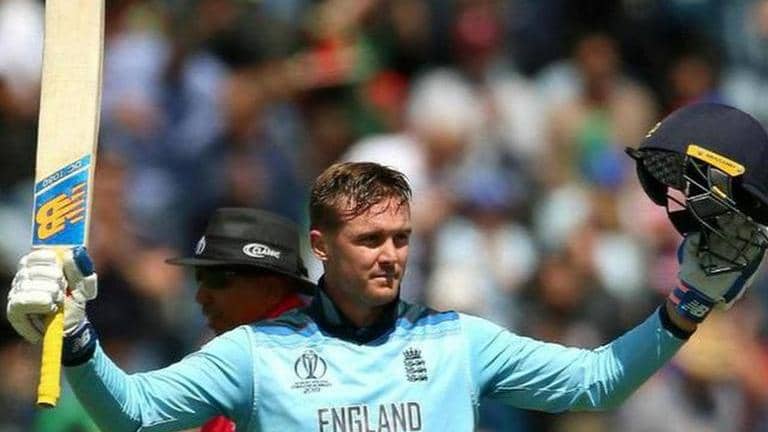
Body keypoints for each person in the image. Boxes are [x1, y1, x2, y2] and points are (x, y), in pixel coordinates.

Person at [5, 161, 766, 431]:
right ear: (321, 245)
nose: (391, 255)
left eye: (401, 237)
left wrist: (685, 308)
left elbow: (596, 383)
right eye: (370, 240)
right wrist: (76, 336)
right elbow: (134, 415)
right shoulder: (255, 355)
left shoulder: (458, 341)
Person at [165, 207, 315, 432]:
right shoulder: (242, 359)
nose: (201, 297)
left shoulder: (296, 365)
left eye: (217, 279)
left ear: (270, 289)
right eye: (199, 277)